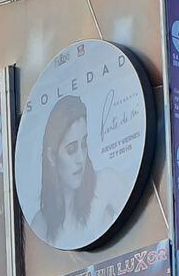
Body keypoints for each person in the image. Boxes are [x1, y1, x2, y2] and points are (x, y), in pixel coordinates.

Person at [30, 95, 127, 250]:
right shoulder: (41, 224)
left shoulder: (107, 183)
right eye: (71, 149)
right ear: (51, 156)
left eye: (84, 144)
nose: (81, 158)